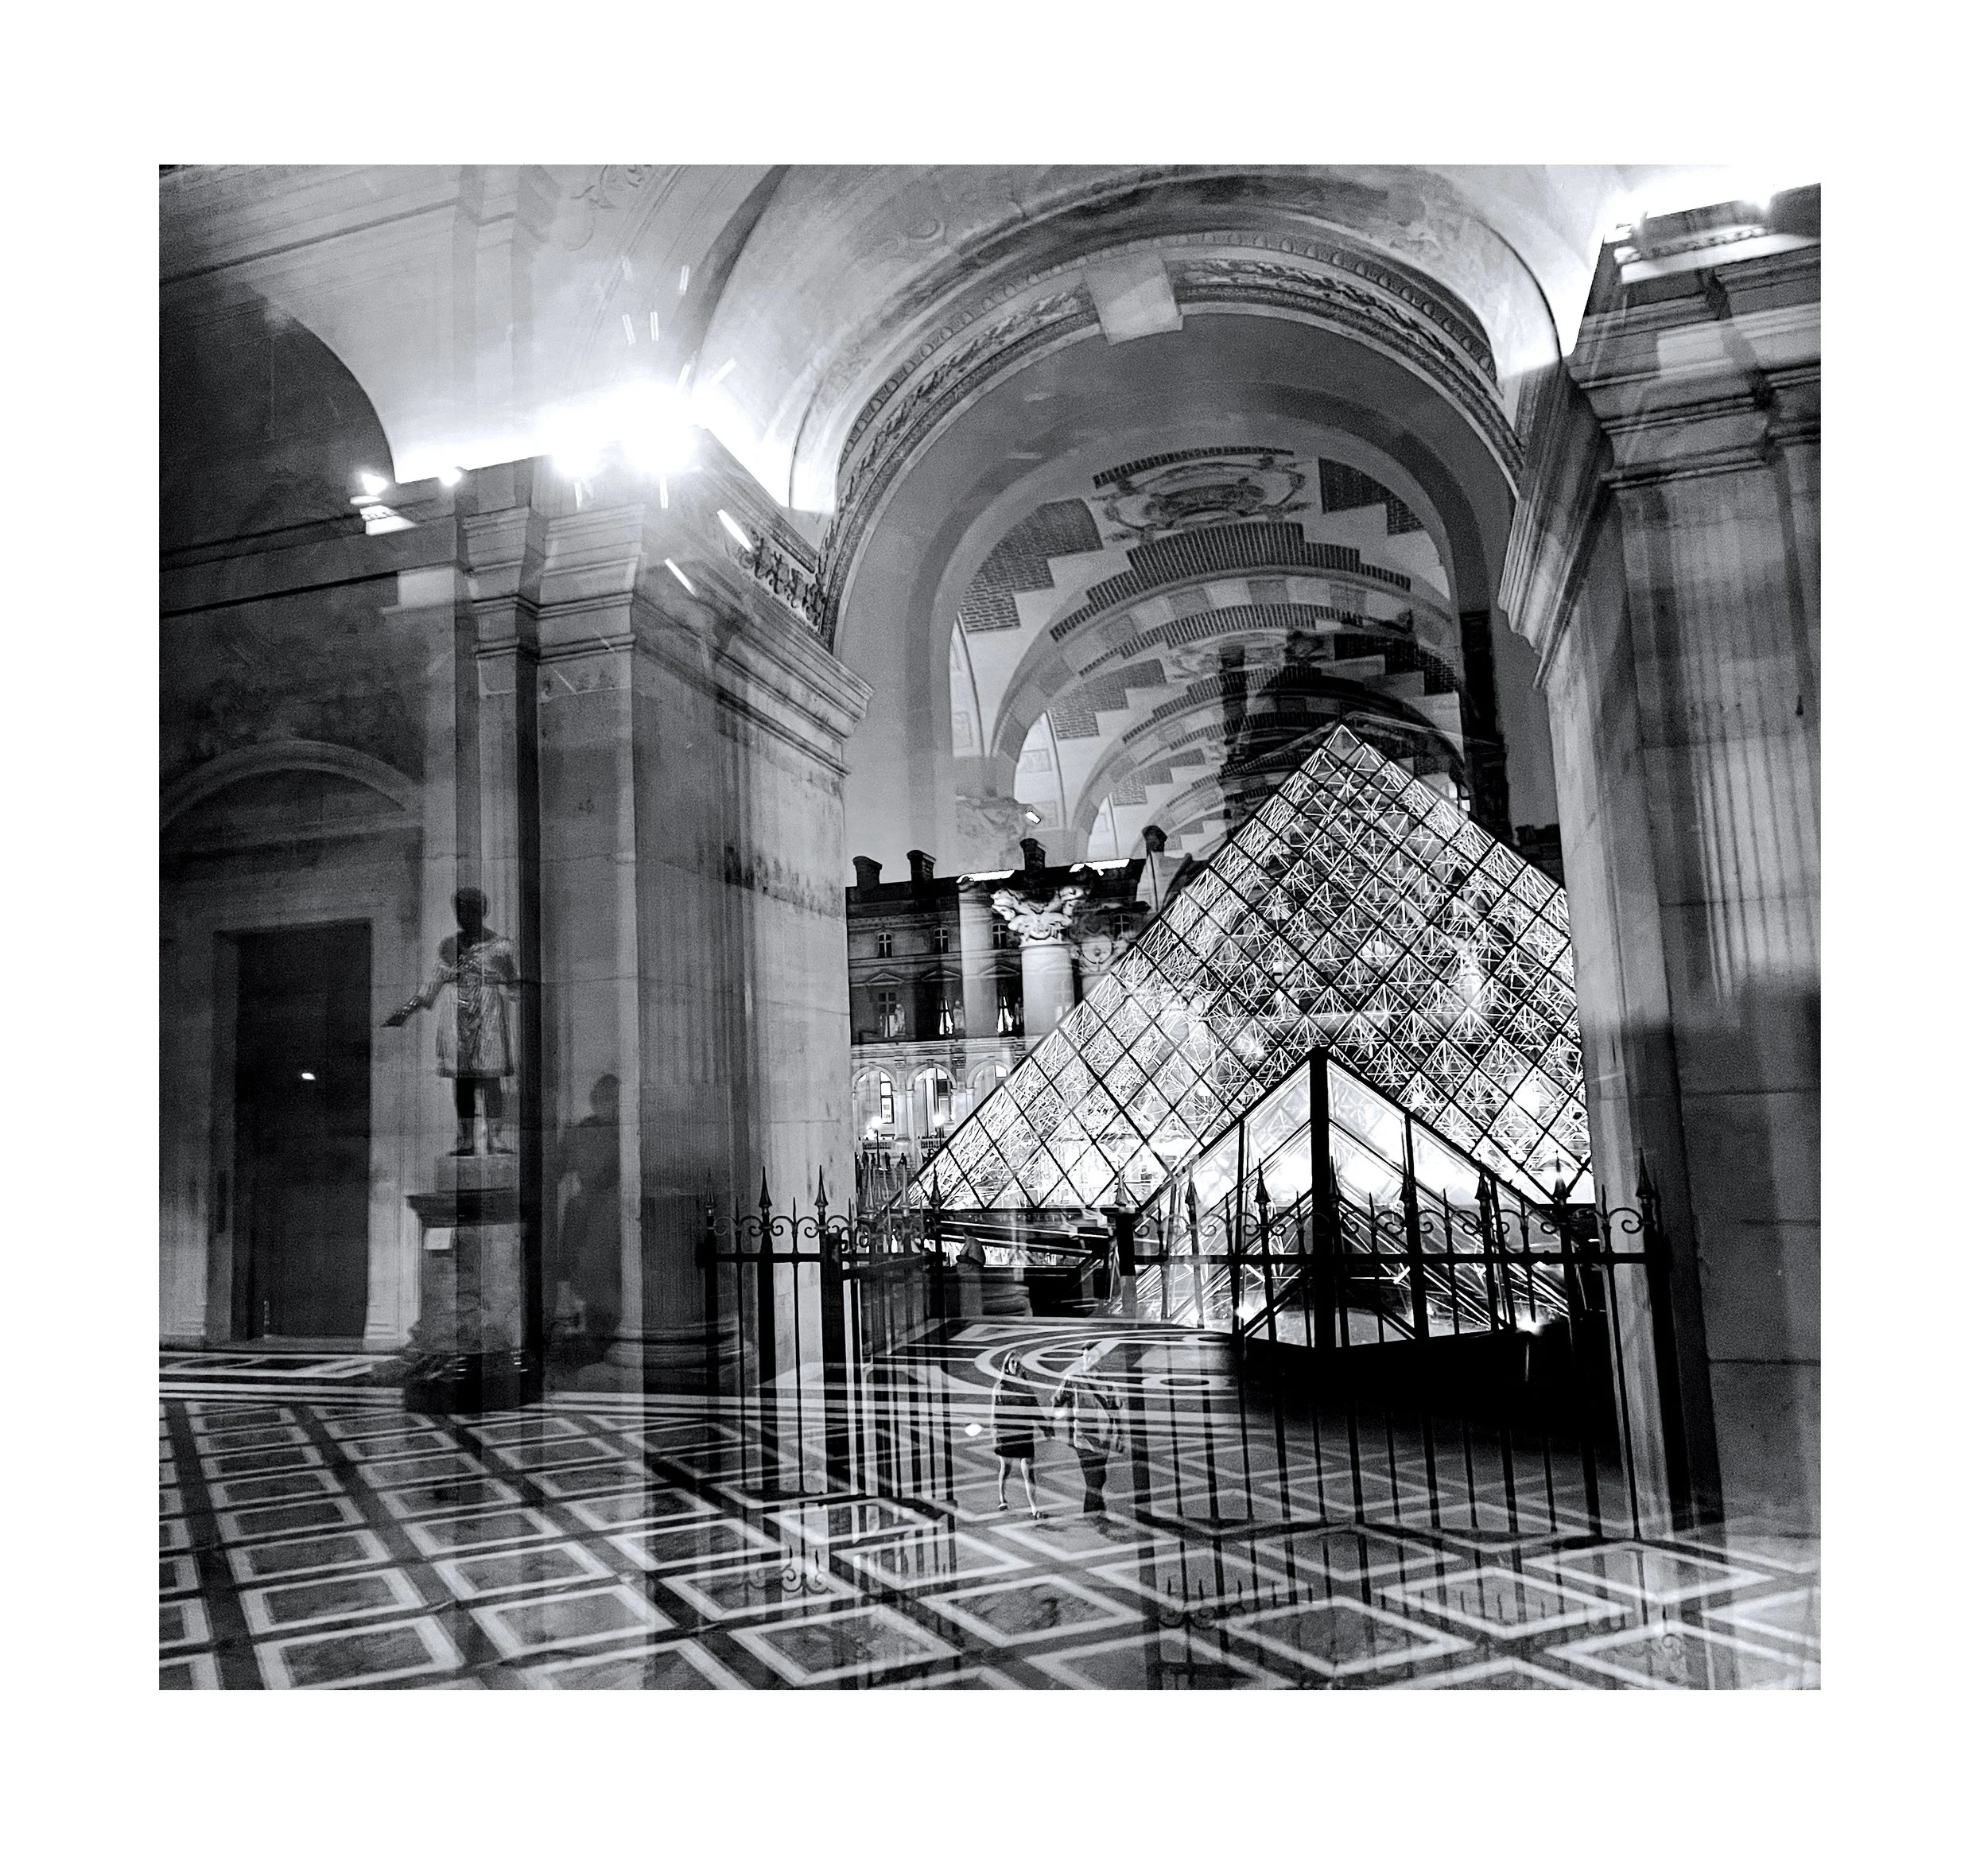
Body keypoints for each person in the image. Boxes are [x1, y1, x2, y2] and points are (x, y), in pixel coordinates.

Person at [385, 888, 519, 1156]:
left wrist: (498, 980)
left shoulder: (500, 946)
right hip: (457, 1016)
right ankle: (466, 1139)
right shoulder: (449, 946)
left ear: (481, 911)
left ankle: (495, 1138)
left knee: (491, 1078)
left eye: (469, 910)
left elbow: (514, 983)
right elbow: (433, 984)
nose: (463, 916)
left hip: (488, 1015)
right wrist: (407, 1010)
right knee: (463, 1082)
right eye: (459, 911)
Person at [1052, 1342, 1123, 1515]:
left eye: (1090, 1358)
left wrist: (1120, 1435)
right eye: (1085, 1358)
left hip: (1103, 1440)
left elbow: (1115, 1410)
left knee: (1100, 1477)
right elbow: (1057, 1401)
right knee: (1094, 1479)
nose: (1087, 1361)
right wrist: (1058, 1414)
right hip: (1083, 1439)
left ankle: (1097, 1509)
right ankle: (1092, 1514)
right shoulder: (1073, 1379)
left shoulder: (1107, 1384)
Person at [989, 1350, 1047, 1518]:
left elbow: (1035, 1409)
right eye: (1012, 1362)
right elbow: (995, 1415)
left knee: (1029, 1471)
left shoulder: (1026, 1389)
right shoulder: (1001, 1388)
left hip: (1024, 1433)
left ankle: (1034, 1507)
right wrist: (997, 1434)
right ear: (1007, 1366)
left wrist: (1045, 1427)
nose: (1016, 1366)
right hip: (1007, 1435)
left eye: (1018, 1363)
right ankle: (1002, 1498)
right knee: (1006, 1468)